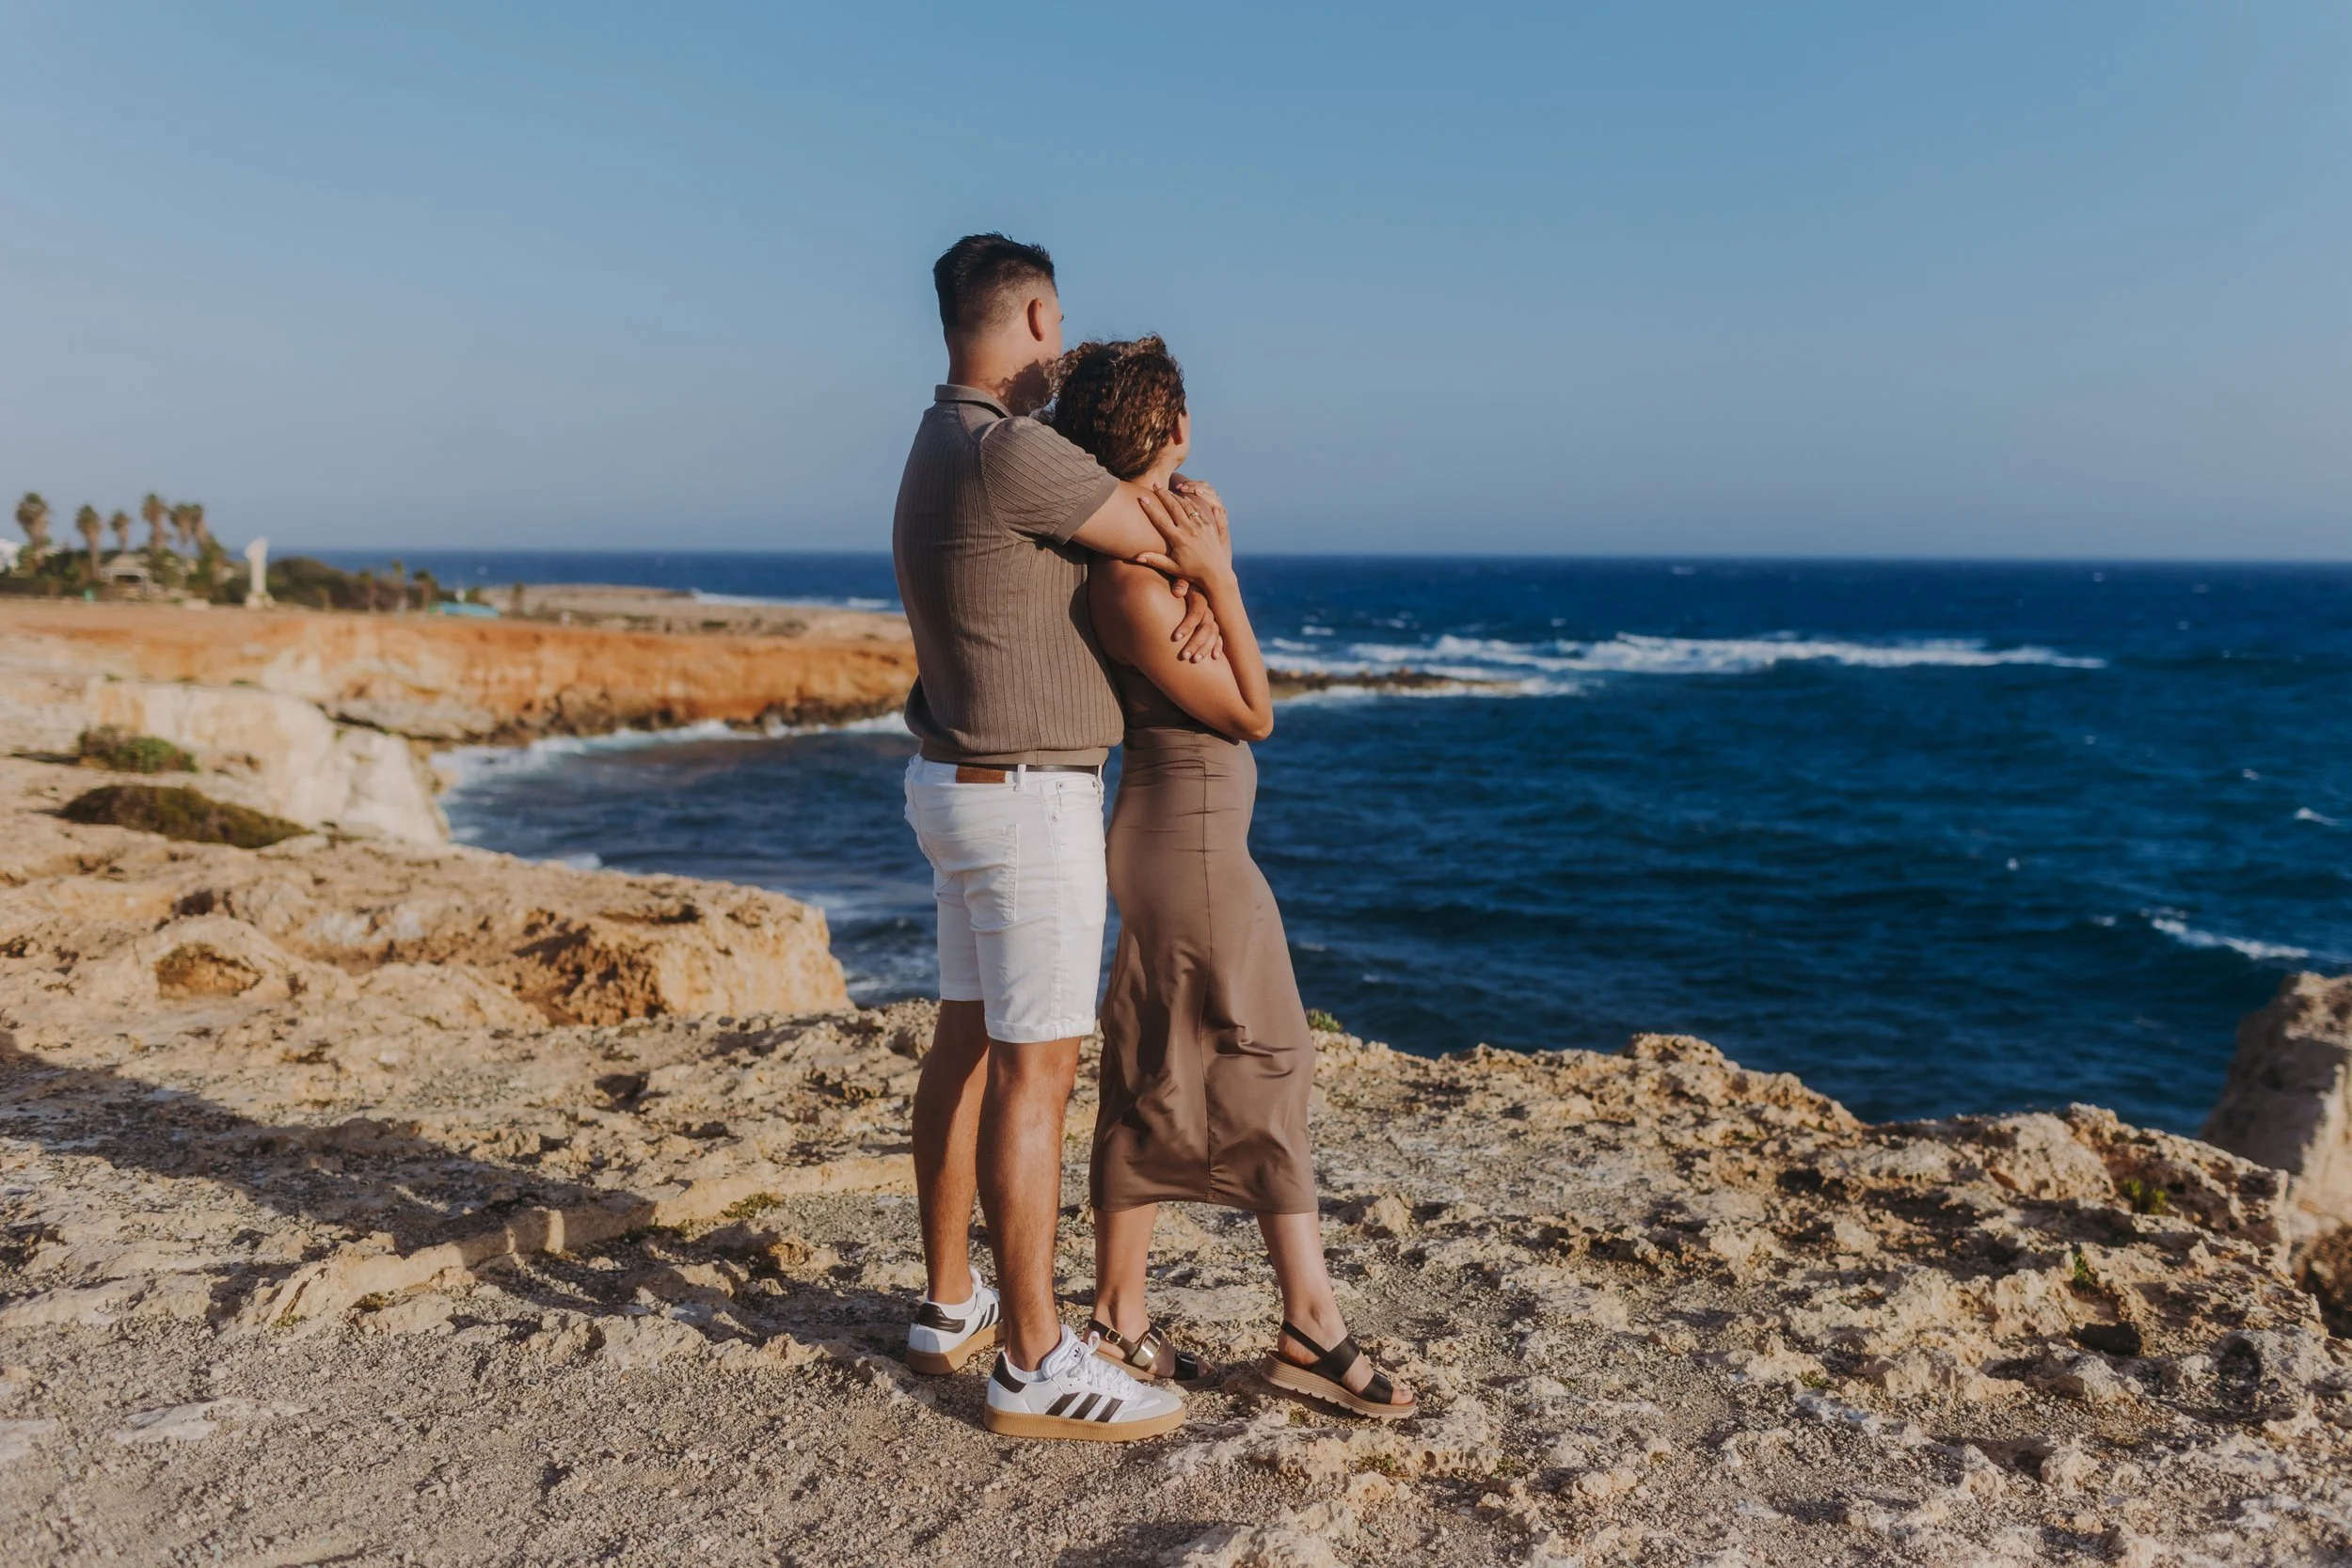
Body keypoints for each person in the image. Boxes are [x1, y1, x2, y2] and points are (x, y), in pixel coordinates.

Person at [893, 235, 1223, 1442]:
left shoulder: (937, 441)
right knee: (1038, 1071)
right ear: (1035, 315)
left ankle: (950, 1301)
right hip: (1027, 800)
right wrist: (1198, 542)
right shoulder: (1012, 451)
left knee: (967, 1044)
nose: (1064, 342)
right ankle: (1032, 1357)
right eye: (1061, 323)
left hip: (955, 782)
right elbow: (1168, 533)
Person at [1051, 337, 1416, 1420]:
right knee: (1265, 1058)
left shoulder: (1155, 536)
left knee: (1159, 1061)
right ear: (1176, 426)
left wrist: (1204, 570)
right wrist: (1217, 579)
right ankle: (1308, 1325)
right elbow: (1255, 711)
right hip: (1190, 845)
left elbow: (1206, 565)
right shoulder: (1134, 574)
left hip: (1194, 840)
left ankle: (1123, 1314)